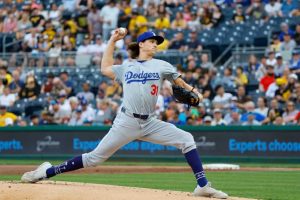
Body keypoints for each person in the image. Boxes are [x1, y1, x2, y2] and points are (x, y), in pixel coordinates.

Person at [21, 28, 228, 199]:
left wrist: (193, 91)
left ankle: (202, 185)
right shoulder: (126, 66)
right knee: (94, 158)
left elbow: (179, 82)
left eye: (157, 42)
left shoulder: (162, 65)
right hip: (126, 121)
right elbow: (105, 68)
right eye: (151, 41)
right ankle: (46, 172)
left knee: (186, 139)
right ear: (141, 44)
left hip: (150, 123)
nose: (156, 44)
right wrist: (112, 40)